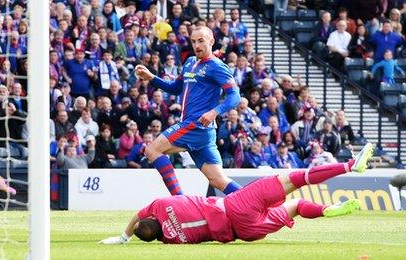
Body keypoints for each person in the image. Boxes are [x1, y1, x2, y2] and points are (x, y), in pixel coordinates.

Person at [99, 143, 375, 245]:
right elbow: (140, 215)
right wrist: (124, 236)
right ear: (154, 217)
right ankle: (351, 165)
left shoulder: (172, 241)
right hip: (234, 206)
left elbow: (146, 226)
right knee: (295, 178)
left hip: (242, 232)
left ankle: (326, 210)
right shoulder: (159, 206)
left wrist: (130, 240)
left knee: (296, 205)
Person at [134, 26, 242, 196]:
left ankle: (180, 202)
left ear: (211, 41)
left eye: (201, 41)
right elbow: (176, 88)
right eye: (193, 41)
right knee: (217, 180)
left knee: (152, 150)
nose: (196, 45)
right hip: (201, 130)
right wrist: (151, 78)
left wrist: (215, 112)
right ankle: (254, 203)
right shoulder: (190, 62)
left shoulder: (216, 66)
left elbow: (235, 95)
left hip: (196, 125)